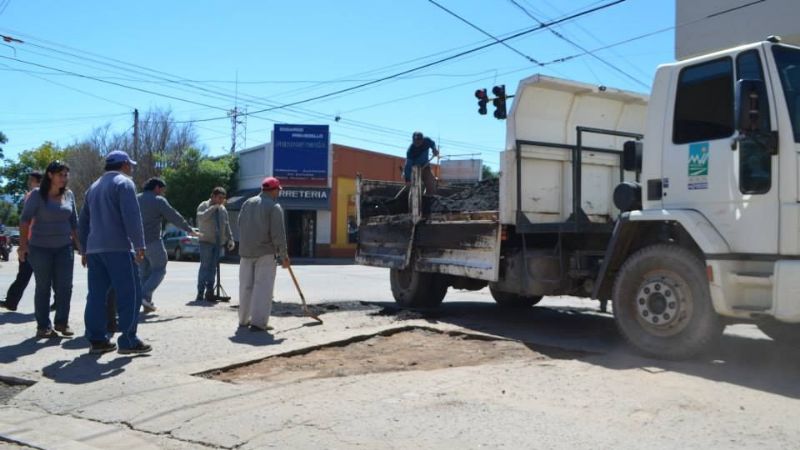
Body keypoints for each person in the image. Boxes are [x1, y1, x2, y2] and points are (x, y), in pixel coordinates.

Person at [79, 150, 151, 355]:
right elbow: (132, 217)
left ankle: (97, 339)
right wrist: (139, 244)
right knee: (130, 294)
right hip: (118, 248)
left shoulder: (93, 187)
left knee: (96, 296)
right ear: (125, 164)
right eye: (131, 165)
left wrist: (84, 249)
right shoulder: (124, 183)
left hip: (94, 250)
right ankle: (128, 340)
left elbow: (83, 222)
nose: (132, 169)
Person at [18, 162, 79, 338]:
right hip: (40, 248)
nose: (64, 178)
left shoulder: (69, 195)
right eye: (61, 174)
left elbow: (74, 222)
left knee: (65, 287)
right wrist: (23, 246)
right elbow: (24, 220)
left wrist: (81, 246)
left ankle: (62, 322)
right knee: (43, 287)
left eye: (66, 175)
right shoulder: (37, 195)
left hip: (64, 248)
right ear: (50, 175)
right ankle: (43, 326)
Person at [138, 177, 198, 312]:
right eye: (162, 190)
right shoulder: (158, 200)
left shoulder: (136, 198)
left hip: (137, 244)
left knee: (144, 273)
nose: (163, 193)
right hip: (153, 241)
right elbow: (173, 216)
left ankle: (146, 301)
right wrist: (188, 229)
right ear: (156, 188)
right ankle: (143, 295)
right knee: (159, 269)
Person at [237, 177, 289, 331]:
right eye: (278, 190)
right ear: (274, 190)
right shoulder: (274, 207)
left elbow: (239, 224)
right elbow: (278, 234)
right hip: (265, 253)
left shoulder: (247, 203)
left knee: (245, 287)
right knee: (263, 288)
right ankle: (259, 322)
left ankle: (243, 319)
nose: (278, 193)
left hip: (245, 252)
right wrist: (284, 255)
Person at [1, 171, 43, 312]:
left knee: (41, 275)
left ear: (39, 182)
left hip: (35, 242)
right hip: (30, 241)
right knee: (25, 273)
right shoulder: (31, 195)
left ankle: (12, 301)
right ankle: (11, 301)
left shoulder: (36, 195)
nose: (29, 182)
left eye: (31, 180)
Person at [195, 187, 234, 302]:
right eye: (219, 198)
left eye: (223, 198)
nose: (221, 200)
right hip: (206, 241)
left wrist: (230, 239)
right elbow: (201, 217)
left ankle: (210, 292)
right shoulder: (204, 205)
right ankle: (200, 292)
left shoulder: (223, 209)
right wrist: (213, 208)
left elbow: (227, 225)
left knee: (213, 268)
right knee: (205, 267)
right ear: (213, 196)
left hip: (218, 243)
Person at [403, 131, 439, 195]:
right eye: (416, 141)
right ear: (413, 140)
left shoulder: (427, 141)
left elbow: (432, 143)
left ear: (422, 140)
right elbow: (408, 166)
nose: (417, 143)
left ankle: (428, 199)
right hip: (414, 170)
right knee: (415, 189)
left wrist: (434, 149)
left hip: (425, 167)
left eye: (419, 141)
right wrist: (407, 180)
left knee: (431, 185)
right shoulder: (410, 151)